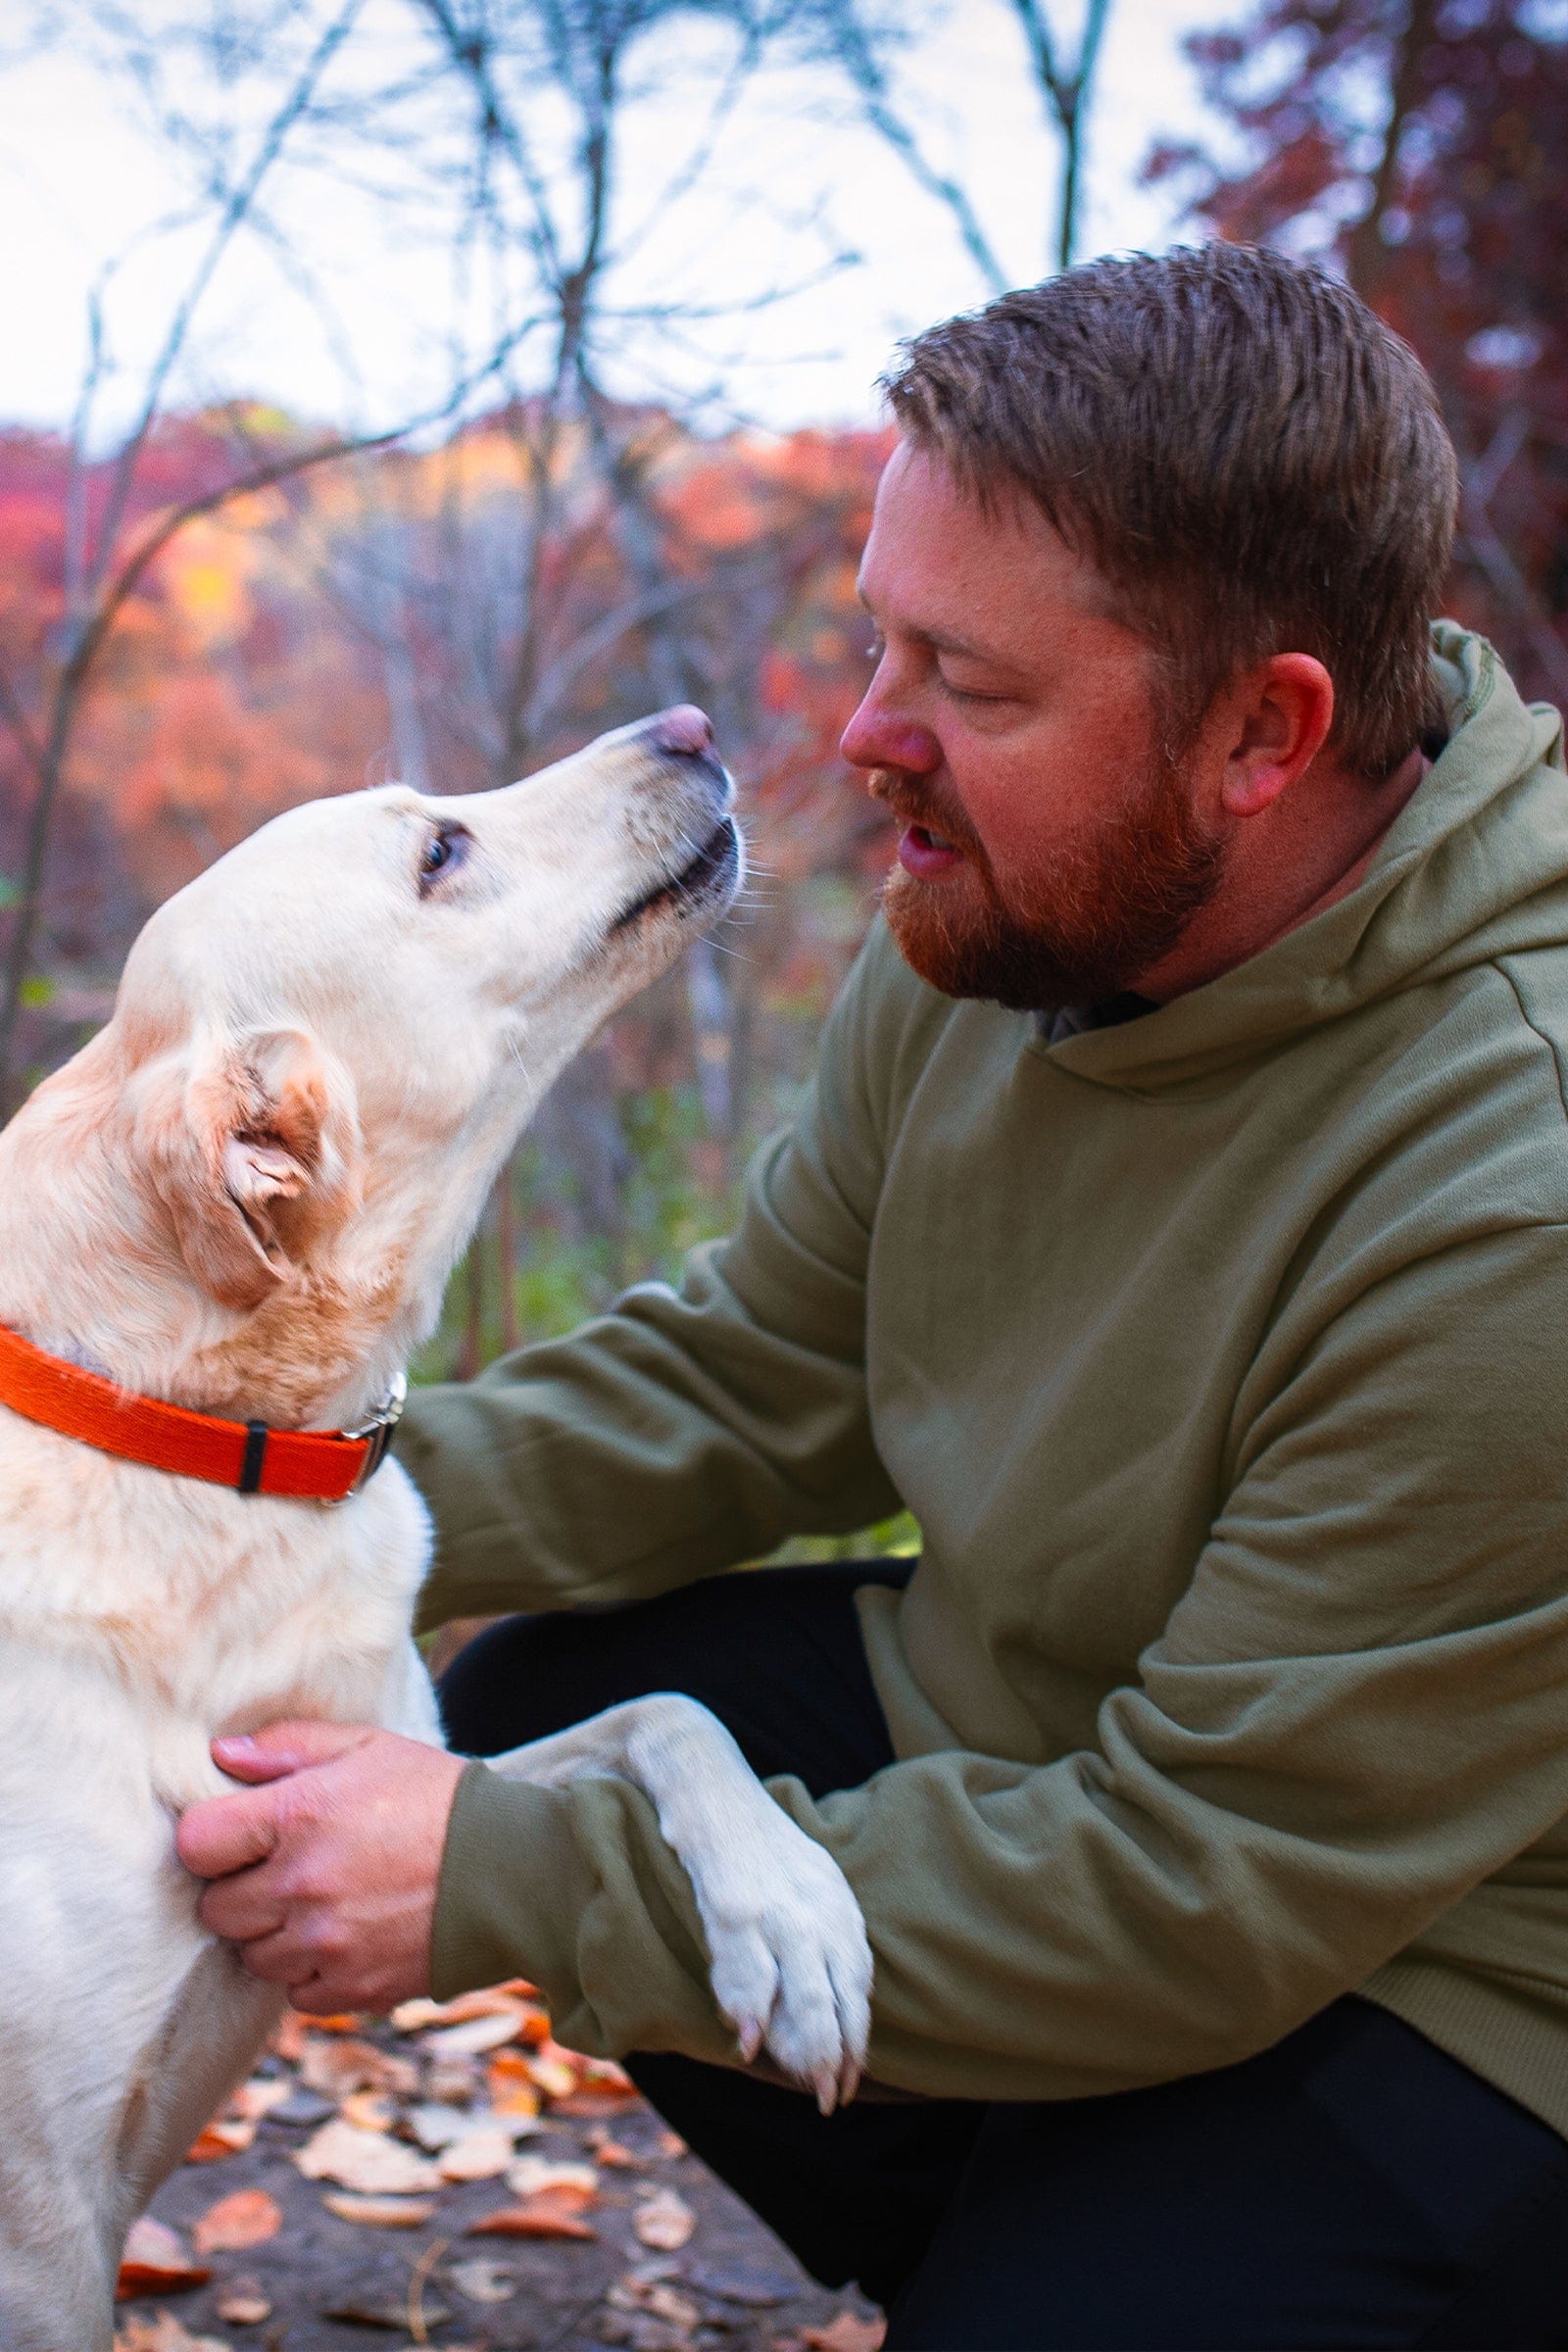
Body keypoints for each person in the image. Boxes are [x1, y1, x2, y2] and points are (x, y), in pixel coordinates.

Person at [178, 246, 1568, 2349]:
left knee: (548, 1827)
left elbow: (1206, 1879)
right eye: (875, 642)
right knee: (543, 1699)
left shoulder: (1511, 1184)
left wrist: (497, 1878)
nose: (860, 738)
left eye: (972, 684)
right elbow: (750, 1382)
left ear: (1258, 735)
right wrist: (206, 1473)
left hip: (1430, 1976)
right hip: (1053, 1742)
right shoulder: (1013, 903)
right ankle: (1045, 2224)